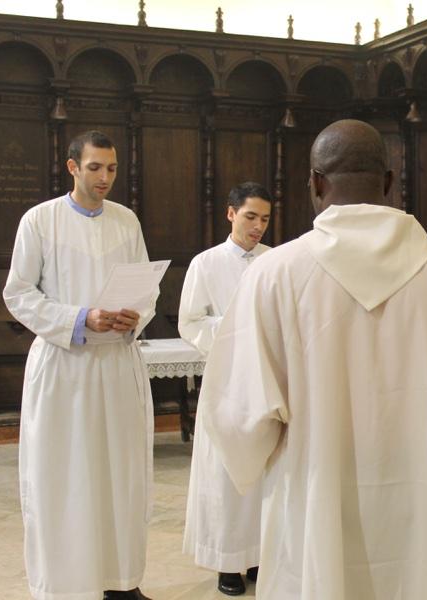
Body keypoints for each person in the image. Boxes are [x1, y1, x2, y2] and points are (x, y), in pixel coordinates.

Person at [197, 119, 427, 600]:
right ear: (389, 183)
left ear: (315, 182)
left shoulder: (277, 275)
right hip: (420, 489)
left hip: (315, 489)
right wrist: (422, 432)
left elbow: (240, 411)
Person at [3, 131, 155, 600]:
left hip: (116, 365)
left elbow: (145, 287)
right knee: (66, 477)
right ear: (72, 167)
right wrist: (78, 317)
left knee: (121, 475)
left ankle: (121, 580)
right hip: (65, 368)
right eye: (95, 168)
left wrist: (136, 316)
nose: (105, 177)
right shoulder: (40, 220)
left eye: (111, 168)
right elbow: (19, 293)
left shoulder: (127, 221)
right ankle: (67, 585)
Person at [179, 182, 272, 595]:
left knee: (263, 472)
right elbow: (190, 321)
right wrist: (235, 330)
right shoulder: (206, 263)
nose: (258, 226)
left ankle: (257, 555)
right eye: (251, 216)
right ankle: (226, 562)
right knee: (225, 474)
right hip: (225, 380)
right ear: (231, 213)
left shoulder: (275, 261)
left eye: (265, 219)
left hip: (267, 380)